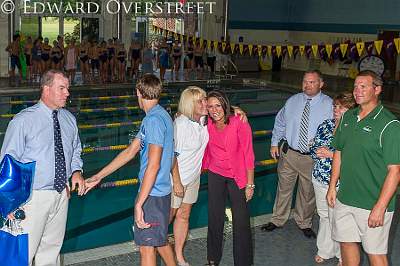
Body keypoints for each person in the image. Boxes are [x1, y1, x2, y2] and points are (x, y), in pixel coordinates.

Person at [84, 74, 176, 266]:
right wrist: (98, 176)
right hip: (157, 192)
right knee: (157, 241)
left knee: (146, 249)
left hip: (152, 194)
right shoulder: (158, 115)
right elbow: (130, 151)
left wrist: (139, 204)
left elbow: (154, 164)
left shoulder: (153, 120)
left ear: (138, 92)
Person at [0, 70, 85, 266]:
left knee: (51, 253)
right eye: (62, 88)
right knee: (23, 255)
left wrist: (76, 172)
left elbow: (75, 150)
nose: (67, 93)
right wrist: (8, 202)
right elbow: (8, 161)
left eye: (68, 89)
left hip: (60, 195)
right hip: (32, 198)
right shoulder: (23, 121)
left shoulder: (69, 120)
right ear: (46, 89)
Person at [326, 70, 400, 266]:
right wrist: (332, 185)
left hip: (372, 202)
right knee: (347, 244)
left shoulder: (390, 124)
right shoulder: (348, 117)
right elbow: (339, 152)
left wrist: (380, 207)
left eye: (363, 86)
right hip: (345, 198)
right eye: (356, 86)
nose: (357, 91)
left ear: (377, 90)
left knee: (375, 253)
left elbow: (395, 171)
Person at [261, 70, 333, 238]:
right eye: (305, 82)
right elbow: (280, 122)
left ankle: (304, 222)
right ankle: (278, 219)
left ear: (321, 84)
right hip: (289, 154)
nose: (307, 85)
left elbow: (336, 131)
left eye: (312, 82)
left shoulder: (329, 105)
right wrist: (274, 143)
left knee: (307, 192)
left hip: (311, 158)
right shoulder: (292, 101)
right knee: (283, 188)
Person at [202, 90, 254, 266]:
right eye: (210, 106)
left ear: (225, 105)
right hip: (215, 175)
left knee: (241, 223)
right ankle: (212, 259)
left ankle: (243, 263)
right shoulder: (207, 121)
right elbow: (188, 110)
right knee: (214, 218)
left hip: (236, 177)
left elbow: (249, 154)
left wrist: (250, 184)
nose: (214, 110)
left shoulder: (239, 122)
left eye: (218, 105)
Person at [310, 92, 356, 265]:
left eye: (341, 107)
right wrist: (317, 151)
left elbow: (355, 158)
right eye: (335, 106)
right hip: (320, 179)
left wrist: (330, 154)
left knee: (340, 219)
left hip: (340, 183)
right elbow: (314, 147)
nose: (336, 110)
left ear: (351, 110)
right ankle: (325, 249)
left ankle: (344, 255)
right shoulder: (326, 125)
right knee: (324, 217)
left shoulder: (353, 129)